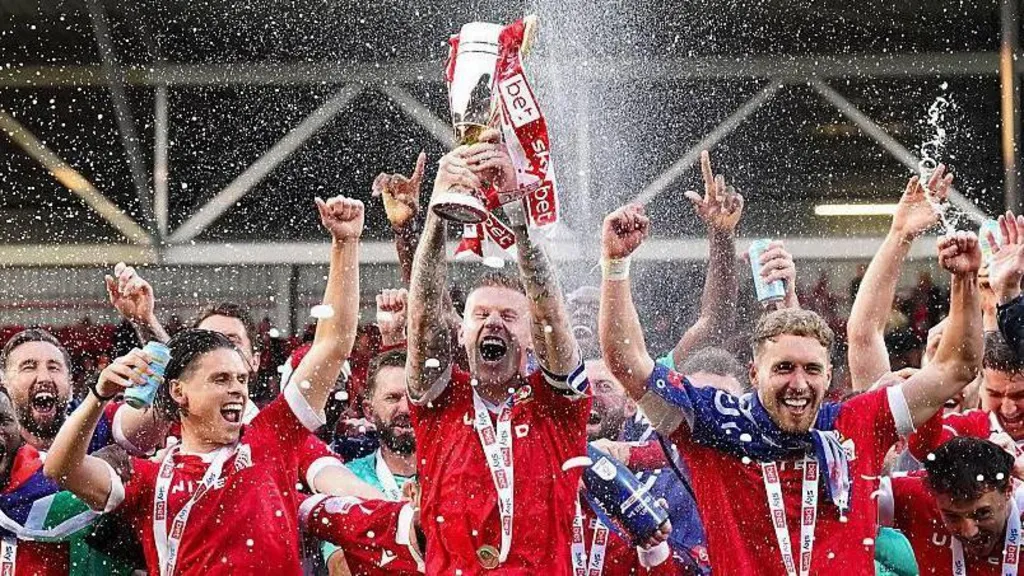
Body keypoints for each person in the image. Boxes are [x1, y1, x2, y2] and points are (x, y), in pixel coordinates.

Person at [599, 201, 983, 575]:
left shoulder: (858, 422)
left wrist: (965, 281)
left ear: (829, 377)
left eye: (811, 370)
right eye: (783, 368)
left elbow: (958, 368)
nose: (798, 384)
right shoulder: (716, 425)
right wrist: (616, 265)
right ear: (754, 374)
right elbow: (627, 362)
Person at [43, 195, 367, 575]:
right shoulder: (150, 478)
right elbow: (61, 468)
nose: (237, 389)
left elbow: (332, 344)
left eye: (241, 379)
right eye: (221, 379)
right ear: (178, 392)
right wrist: (98, 396)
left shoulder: (270, 439)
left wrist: (345, 244)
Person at [405, 134, 622, 573]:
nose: (493, 323)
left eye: (508, 315)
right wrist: (438, 213)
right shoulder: (441, 402)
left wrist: (517, 216)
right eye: (480, 314)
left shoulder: (557, 405)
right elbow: (425, 316)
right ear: (461, 332)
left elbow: (551, 315)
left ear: (531, 338)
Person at [847, 166, 953, 391]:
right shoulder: (888, 411)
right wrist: (900, 235)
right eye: (938, 355)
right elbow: (863, 334)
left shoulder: (981, 410)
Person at [323, 349, 418, 576]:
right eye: (392, 398)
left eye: (413, 397)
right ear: (368, 410)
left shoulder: (451, 473)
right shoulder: (346, 478)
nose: (405, 408)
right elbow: (340, 568)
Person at [879, 436, 1024, 575]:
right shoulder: (918, 497)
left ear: (1008, 490)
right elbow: (866, 488)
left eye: (982, 514)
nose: (969, 532)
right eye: (952, 517)